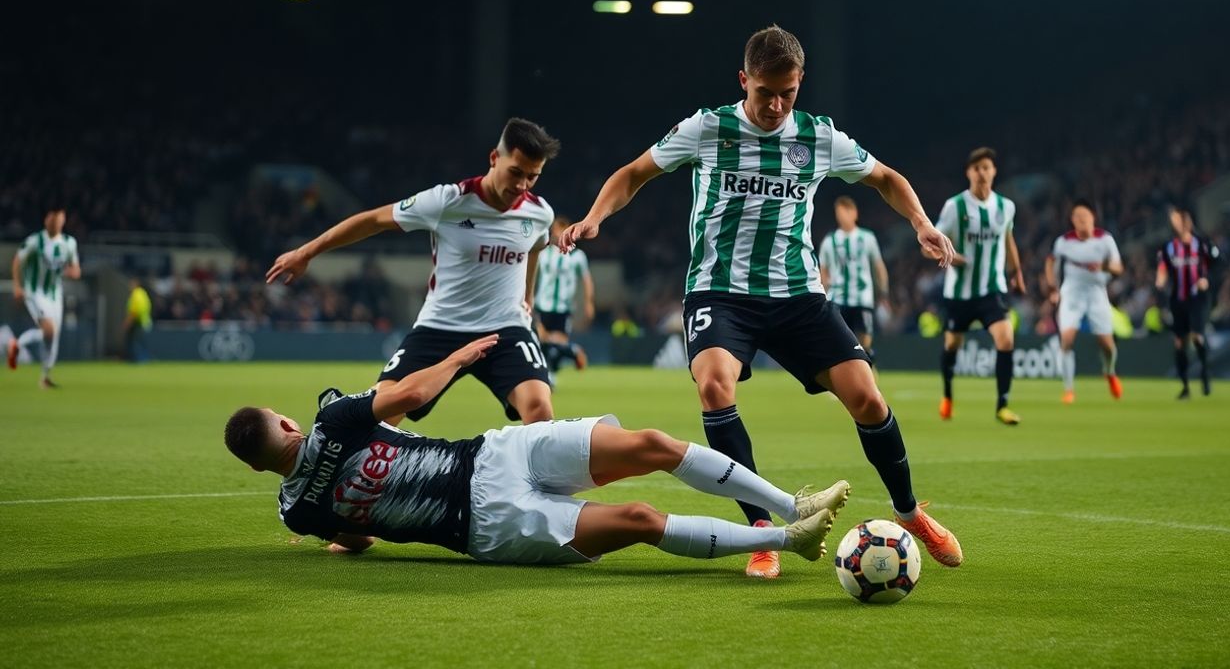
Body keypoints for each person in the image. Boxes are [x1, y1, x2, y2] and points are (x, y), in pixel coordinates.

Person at [559, 25, 962, 579]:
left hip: (798, 295)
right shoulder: (708, 128)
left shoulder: (818, 136)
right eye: (765, 92)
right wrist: (594, 218)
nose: (775, 106)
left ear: (800, 84)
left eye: (787, 94)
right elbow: (634, 174)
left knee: (868, 399)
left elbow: (886, 178)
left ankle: (909, 512)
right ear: (743, 80)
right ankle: (762, 532)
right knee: (714, 386)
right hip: (720, 292)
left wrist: (920, 223)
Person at [223, 334, 846, 566]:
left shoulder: (297, 512)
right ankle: (790, 536)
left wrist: (345, 536)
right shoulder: (331, 421)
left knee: (643, 499)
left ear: (255, 466)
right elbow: (408, 393)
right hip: (492, 515)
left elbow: (357, 538)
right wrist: (460, 358)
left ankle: (792, 511)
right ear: (288, 423)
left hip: (493, 467)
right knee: (647, 479)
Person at [266, 118, 559, 425]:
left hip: (506, 328)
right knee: (379, 412)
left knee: (539, 408)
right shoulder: (448, 201)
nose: (522, 185)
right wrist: (306, 252)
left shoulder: (539, 213)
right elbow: (373, 221)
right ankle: (336, 452)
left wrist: (528, 298)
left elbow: (534, 248)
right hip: (441, 326)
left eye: (532, 177)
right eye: (516, 172)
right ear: (494, 158)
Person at [934, 148, 1026, 425]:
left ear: (994, 171)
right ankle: (947, 395)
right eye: (976, 168)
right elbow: (931, 243)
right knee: (952, 344)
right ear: (969, 173)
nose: (982, 173)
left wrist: (1017, 273)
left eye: (986, 167)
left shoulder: (1006, 207)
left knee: (1006, 338)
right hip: (959, 293)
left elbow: (1008, 239)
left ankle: (1003, 405)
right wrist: (948, 255)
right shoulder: (955, 206)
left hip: (992, 289)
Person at [1044, 200, 1124, 404]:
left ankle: (1109, 371)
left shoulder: (1105, 239)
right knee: (1067, 339)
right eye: (1077, 216)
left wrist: (1104, 266)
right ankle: (1068, 389)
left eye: (1084, 216)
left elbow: (1118, 268)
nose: (1081, 220)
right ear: (1072, 220)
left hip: (1097, 293)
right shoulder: (1064, 242)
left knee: (1107, 345)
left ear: (1092, 217)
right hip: (1072, 293)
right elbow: (1051, 262)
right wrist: (1053, 288)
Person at [7, 205, 80, 387]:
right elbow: (17, 260)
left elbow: (76, 268)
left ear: (63, 219)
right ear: (46, 219)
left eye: (59, 217)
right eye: (52, 217)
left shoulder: (70, 243)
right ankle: (17, 344)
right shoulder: (35, 241)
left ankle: (45, 377)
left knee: (53, 336)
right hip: (35, 292)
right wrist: (17, 286)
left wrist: (73, 272)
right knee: (49, 330)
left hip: (55, 294)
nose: (55, 221)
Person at [1156, 208, 1219, 399]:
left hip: (1198, 298)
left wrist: (1207, 279)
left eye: (1177, 219)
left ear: (1187, 221)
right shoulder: (1168, 247)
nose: (1174, 223)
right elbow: (1162, 267)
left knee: (1197, 337)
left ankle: (1205, 372)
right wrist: (1160, 280)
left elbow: (1218, 264)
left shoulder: (1202, 243)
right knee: (1179, 343)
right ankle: (1185, 386)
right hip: (1177, 299)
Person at [818, 196, 889, 361]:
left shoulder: (867, 238)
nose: (842, 216)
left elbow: (878, 266)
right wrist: (822, 296)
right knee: (838, 345)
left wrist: (883, 293)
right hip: (837, 298)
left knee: (865, 346)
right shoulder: (829, 241)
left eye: (845, 211)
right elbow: (823, 271)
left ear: (854, 213)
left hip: (862, 298)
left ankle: (868, 373)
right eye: (839, 213)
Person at [534, 216, 595, 377]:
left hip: (564, 306)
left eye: (561, 229)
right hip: (543, 304)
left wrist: (589, 303)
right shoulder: (543, 254)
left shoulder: (577, 256)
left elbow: (586, 280)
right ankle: (572, 352)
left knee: (557, 343)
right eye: (555, 230)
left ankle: (556, 369)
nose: (557, 233)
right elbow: (532, 276)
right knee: (540, 339)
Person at [123, 277, 153, 363]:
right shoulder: (143, 293)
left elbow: (134, 311)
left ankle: (139, 361)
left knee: (136, 343)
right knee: (141, 343)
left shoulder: (136, 294)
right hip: (145, 322)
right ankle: (143, 360)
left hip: (138, 322)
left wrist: (127, 322)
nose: (130, 286)